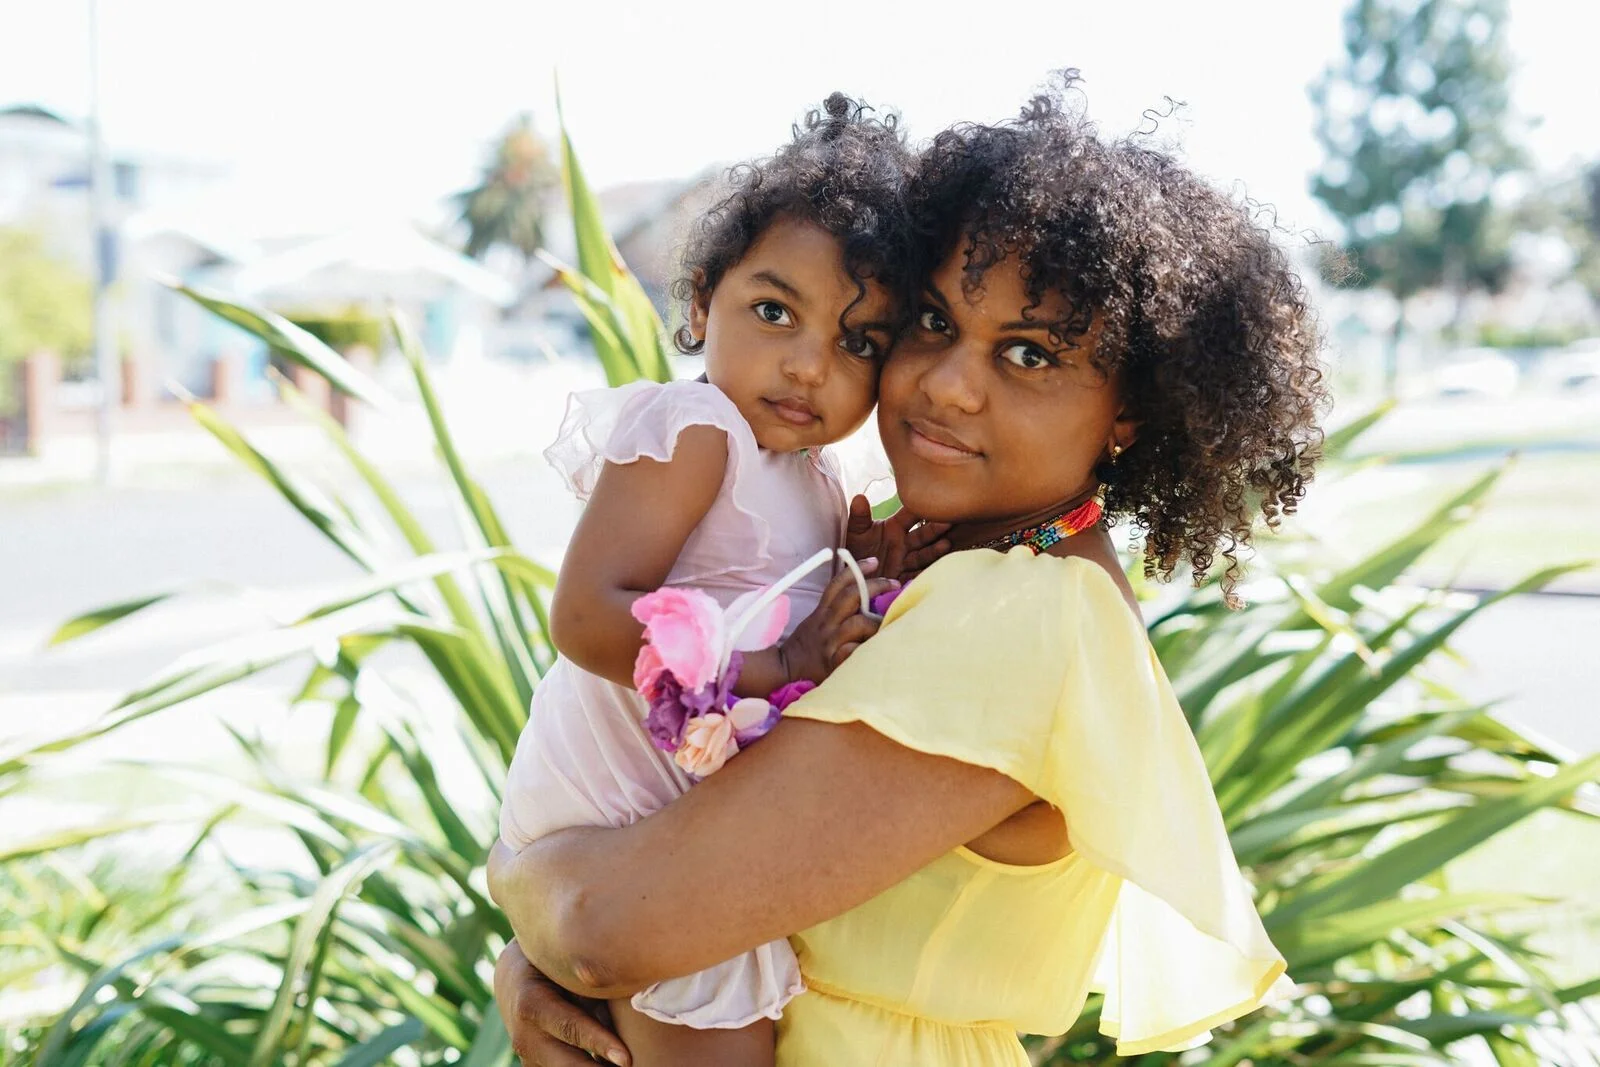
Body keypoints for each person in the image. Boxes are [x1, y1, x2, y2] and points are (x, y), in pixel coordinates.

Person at [490, 74, 1328, 1067]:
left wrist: (527, 897)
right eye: (932, 322)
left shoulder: (1030, 614)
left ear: (1128, 414)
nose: (946, 385)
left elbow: (605, 931)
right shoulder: (931, 564)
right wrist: (551, 949)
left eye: (1027, 355)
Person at [496, 93, 948, 1067]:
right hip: (613, 805)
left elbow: (778, 594)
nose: (807, 363)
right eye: (774, 311)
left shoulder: (811, 471)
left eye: (858, 340)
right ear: (701, 301)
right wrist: (775, 659)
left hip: (672, 820)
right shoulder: (697, 431)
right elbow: (584, 615)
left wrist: (863, 574)